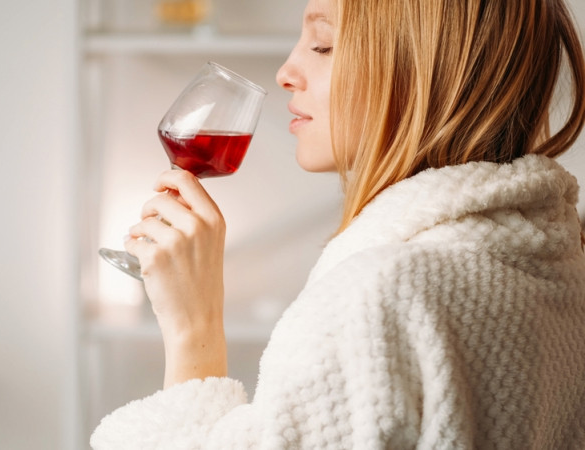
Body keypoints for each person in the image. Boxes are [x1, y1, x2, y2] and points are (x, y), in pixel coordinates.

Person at [91, 0, 585, 447]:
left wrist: (192, 328)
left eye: (323, 45)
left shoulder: (383, 297)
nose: (286, 72)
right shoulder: (555, 266)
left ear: (419, 70)